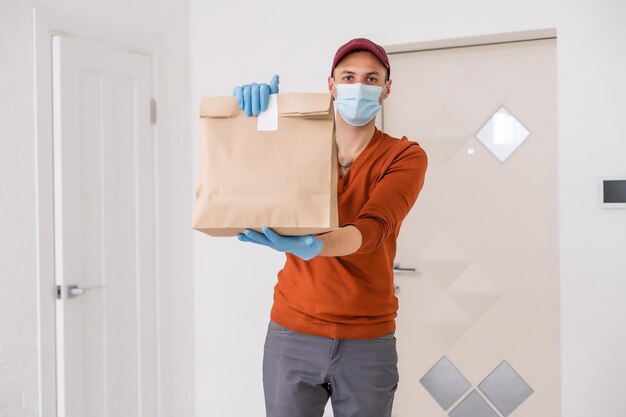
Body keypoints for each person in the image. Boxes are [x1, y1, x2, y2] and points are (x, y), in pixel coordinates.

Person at [234, 38, 428, 417]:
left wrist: (318, 246)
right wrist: (257, 118)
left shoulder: (404, 156)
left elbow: (375, 227)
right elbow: (250, 172)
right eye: (349, 76)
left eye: (372, 79)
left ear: (387, 89)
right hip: (293, 331)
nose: (359, 87)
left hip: (367, 341)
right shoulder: (298, 144)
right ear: (331, 85)